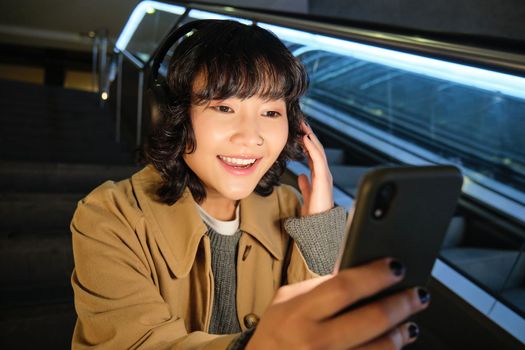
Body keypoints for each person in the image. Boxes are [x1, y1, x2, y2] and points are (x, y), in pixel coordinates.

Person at [70, 20, 429, 349]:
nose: (251, 137)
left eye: (271, 112)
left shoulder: (293, 208)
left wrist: (320, 224)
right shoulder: (109, 216)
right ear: (177, 113)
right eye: (224, 108)